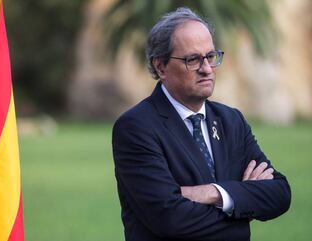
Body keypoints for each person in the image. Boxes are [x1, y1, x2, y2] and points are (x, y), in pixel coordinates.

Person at [112, 7, 291, 241]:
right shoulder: (136, 127)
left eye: (211, 56)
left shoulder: (231, 121)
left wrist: (214, 193)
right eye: (192, 59)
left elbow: (279, 193)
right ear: (160, 66)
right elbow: (169, 218)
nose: (206, 68)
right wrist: (240, 208)